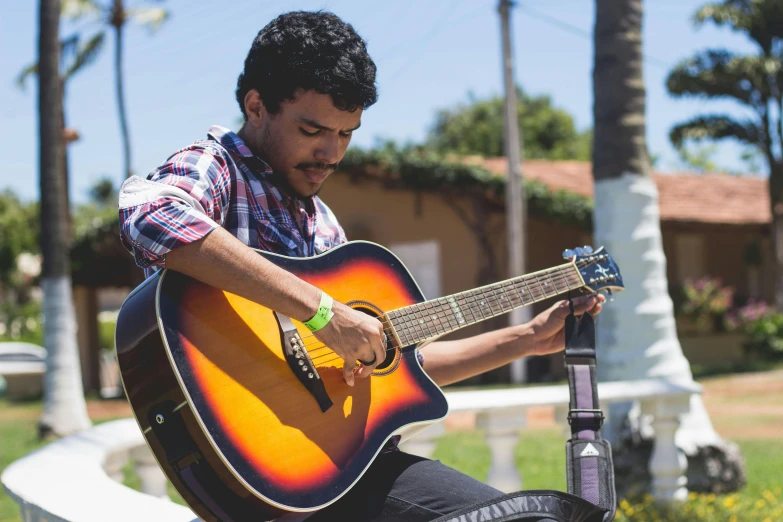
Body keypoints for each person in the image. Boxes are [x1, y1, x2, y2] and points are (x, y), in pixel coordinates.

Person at [118, 10, 605, 522]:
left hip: (343, 468)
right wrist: (324, 314)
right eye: (312, 130)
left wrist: (525, 338)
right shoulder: (215, 168)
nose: (331, 153)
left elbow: (389, 368)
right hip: (265, 467)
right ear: (256, 106)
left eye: (347, 134)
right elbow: (150, 215)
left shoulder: (323, 225)